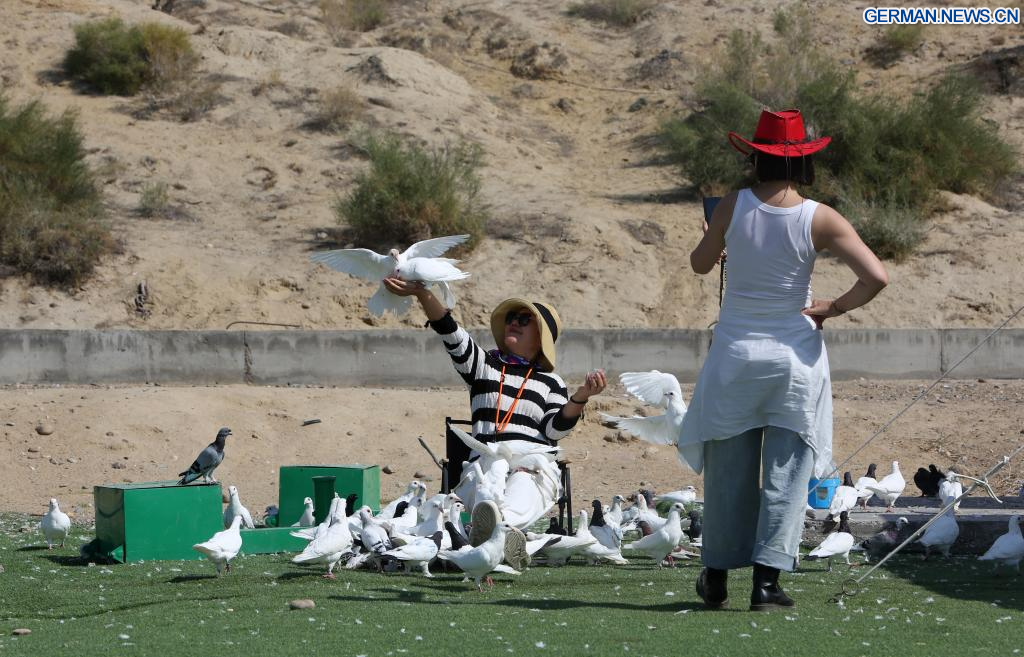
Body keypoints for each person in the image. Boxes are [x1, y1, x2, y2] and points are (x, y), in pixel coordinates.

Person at [679, 109, 889, 611]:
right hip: (794, 357)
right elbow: (876, 277)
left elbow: (700, 264)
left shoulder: (732, 204)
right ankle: (766, 584)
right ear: (804, 161)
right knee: (788, 474)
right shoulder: (821, 216)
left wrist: (715, 236)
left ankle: (716, 578)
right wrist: (833, 307)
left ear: (756, 157)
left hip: (735, 356)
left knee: (727, 473)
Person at [383, 277, 606, 568]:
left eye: (524, 320)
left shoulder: (552, 382)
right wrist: (423, 294)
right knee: (490, 479)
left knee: (525, 479)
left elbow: (554, 429)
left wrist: (581, 397)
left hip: (531, 464)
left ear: (541, 337)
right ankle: (499, 540)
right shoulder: (484, 365)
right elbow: (451, 332)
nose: (513, 323)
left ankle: (481, 536)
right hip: (485, 464)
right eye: (511, 317)